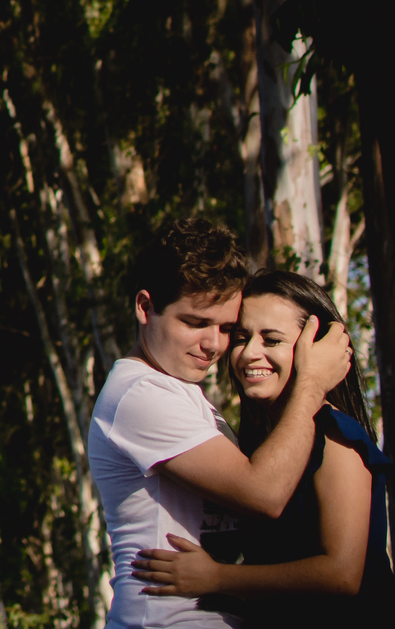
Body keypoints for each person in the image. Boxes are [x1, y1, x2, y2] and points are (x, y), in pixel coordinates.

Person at [88, 220, 351, 628]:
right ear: (145, 307)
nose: (214, 345)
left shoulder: (180, 391)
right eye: (195, 323)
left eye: (227, 328)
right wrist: (312, 383)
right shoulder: (140, 394)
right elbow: (264, 493)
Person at [131, 270, 395, 629]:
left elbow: (342, 574)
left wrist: (217, 577)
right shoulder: (269, 446)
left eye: (271, 340)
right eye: (241, 338)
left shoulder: (335, 435)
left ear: (316, 348)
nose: (248, 354)